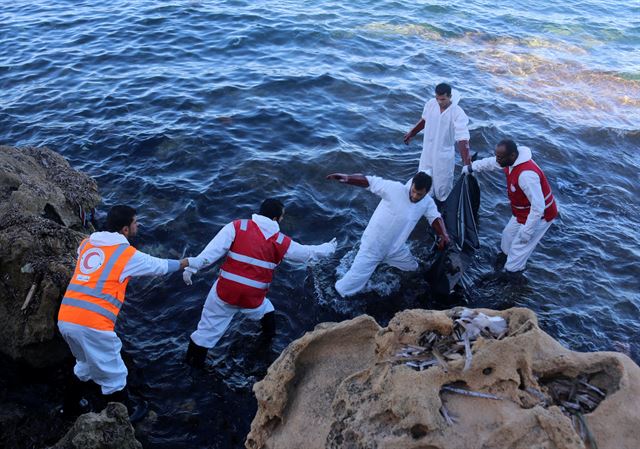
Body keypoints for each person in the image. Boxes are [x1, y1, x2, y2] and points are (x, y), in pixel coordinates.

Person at [57, 205, 189, 421]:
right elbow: (160, 266)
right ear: (126, 229)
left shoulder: (86, 244)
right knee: (115, 376)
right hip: (93, 324)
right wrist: (187, 263)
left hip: (66, 317)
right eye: (135, 222)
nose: (138, 225)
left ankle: (69, 409)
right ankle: (122, 418)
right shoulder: (125, 254)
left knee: (83, 366)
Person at [183, 198, 337, 368]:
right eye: (282, 217)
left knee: (205, 333)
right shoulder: (280, 241)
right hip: (252, 299)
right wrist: (328, 248)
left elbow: (211, 252)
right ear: (275, 219)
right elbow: (307, 253)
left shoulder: (237, 227)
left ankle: (191, 367)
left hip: (225, 292)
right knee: (267, 310)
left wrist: (191, 268)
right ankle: (267, 340)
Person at [326, 171, 450, 297]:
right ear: (412, 184)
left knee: (413, 269)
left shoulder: (427, 202)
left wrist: (443, 234)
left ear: (426, 192)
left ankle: (386, 267)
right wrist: (348, 177)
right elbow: (370, 181)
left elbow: (435, 217)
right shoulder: (395, 190)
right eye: (413, 191)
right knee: (344, 289)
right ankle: (330, 296)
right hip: (373, 247)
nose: (415, 196)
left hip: (396, 249)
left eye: (420, 194)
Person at [462, 139, 558, 273]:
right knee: (507, 236)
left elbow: (538, 207)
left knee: (519, 249)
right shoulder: (508, 161)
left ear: (512, 156)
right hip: (523, 212)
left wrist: (527, 232)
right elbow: (491, 163)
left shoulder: (526, 175)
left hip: (540, 216)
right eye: (497, 155)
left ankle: (513, 274)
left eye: (500, 157)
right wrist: (471, 167)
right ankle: (504, 259)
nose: (497, 159)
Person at [403, 82, 471, 203]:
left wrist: (467, 163)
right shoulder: (431, 104)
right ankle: (423, 202)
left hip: (443, 155)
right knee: (423, 179)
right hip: (427, 151)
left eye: (443, 99)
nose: (439, 102)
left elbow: (463, 139)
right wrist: (412, 133)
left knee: (442, 186)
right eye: (437, 98)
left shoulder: (457, 113)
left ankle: (442, 206)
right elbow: (424, 120)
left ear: (450, 97)